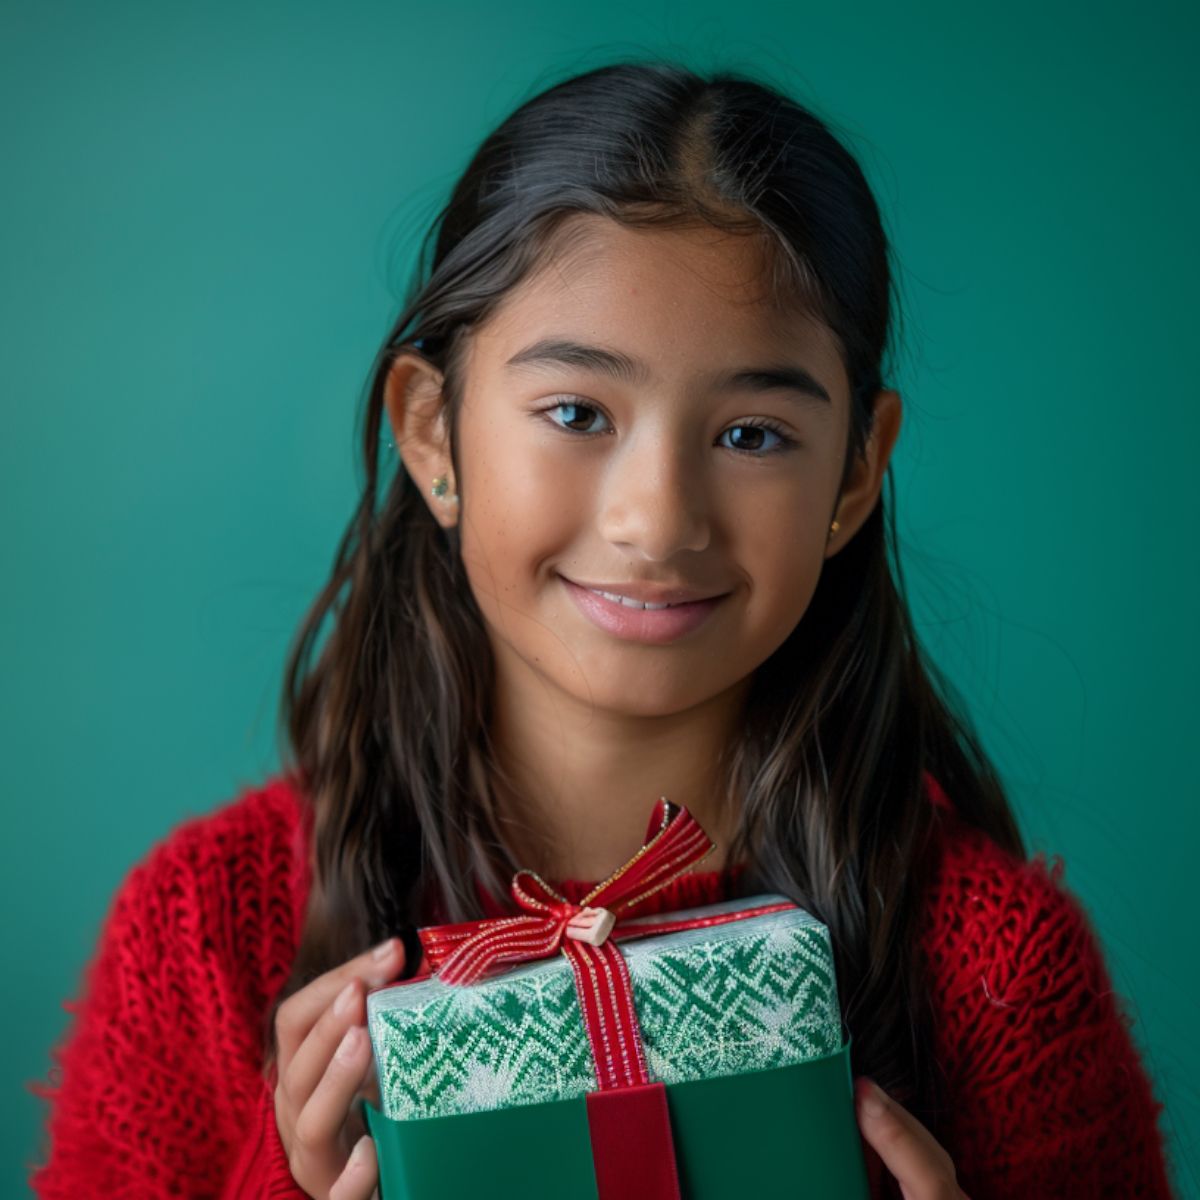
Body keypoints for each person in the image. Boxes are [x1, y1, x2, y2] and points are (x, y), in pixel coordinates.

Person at [26, 61, 1175, 1200]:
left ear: (857, 473)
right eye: (576, 412)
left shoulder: (998, 974)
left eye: (755, 434)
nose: (656, 517)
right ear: (433, 436)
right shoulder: (203, 933)